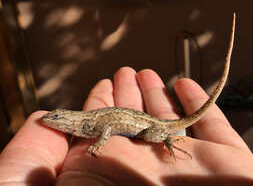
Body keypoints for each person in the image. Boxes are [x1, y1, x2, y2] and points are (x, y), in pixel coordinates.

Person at [0, 67, 252, 186]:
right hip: (139, 120)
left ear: (66, 120)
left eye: (56, 118)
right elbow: (105, 123)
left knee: (153, 137)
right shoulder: (80, 124)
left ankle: (167, 139)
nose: (51, 121)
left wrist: (99, 143)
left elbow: (106, 129)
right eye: (55, 118)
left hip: (150, 127)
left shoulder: (84, 126)